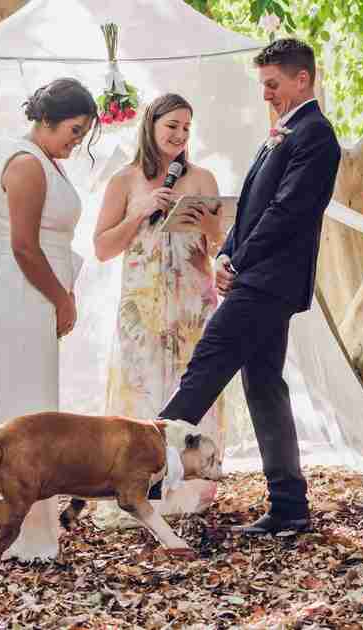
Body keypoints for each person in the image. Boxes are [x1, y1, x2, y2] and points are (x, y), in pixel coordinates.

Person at [159, 38, 341, 535]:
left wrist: (238, 261)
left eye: (272, 84)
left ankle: (138, 474)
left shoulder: (316, 136)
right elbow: (253, 205)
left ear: (301, 79)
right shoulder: (279, 133)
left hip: (269, 281)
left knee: (206, 365)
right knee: (263, 386)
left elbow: (288, 212)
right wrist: (225, 253)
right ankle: (289, 506)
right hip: (256, 275)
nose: (266, 95)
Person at [0, 77, 100, 561]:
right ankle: (22, 538)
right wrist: (63, 299)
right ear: (47, 120)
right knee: (25, 424)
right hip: (22, 298)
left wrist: (62, 293)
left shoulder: (46, 160)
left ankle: (33, 532)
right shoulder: (27, 164)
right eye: (74, 130)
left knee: (37, 420)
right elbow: (24, 247)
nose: (76, 141)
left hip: (38, 298)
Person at [93, 93, 227, 519]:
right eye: (172, 125)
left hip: (193, 309)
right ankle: (137, 489)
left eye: (187, 127)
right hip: (143, 310)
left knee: (192, 392)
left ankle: (190, 491)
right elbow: (101, 248)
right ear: (151, 125)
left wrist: (209, 225)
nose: (180, 134)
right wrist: (141, 212)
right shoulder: (125, 181)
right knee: (145, 392)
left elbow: (221, 244)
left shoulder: (203, 178)